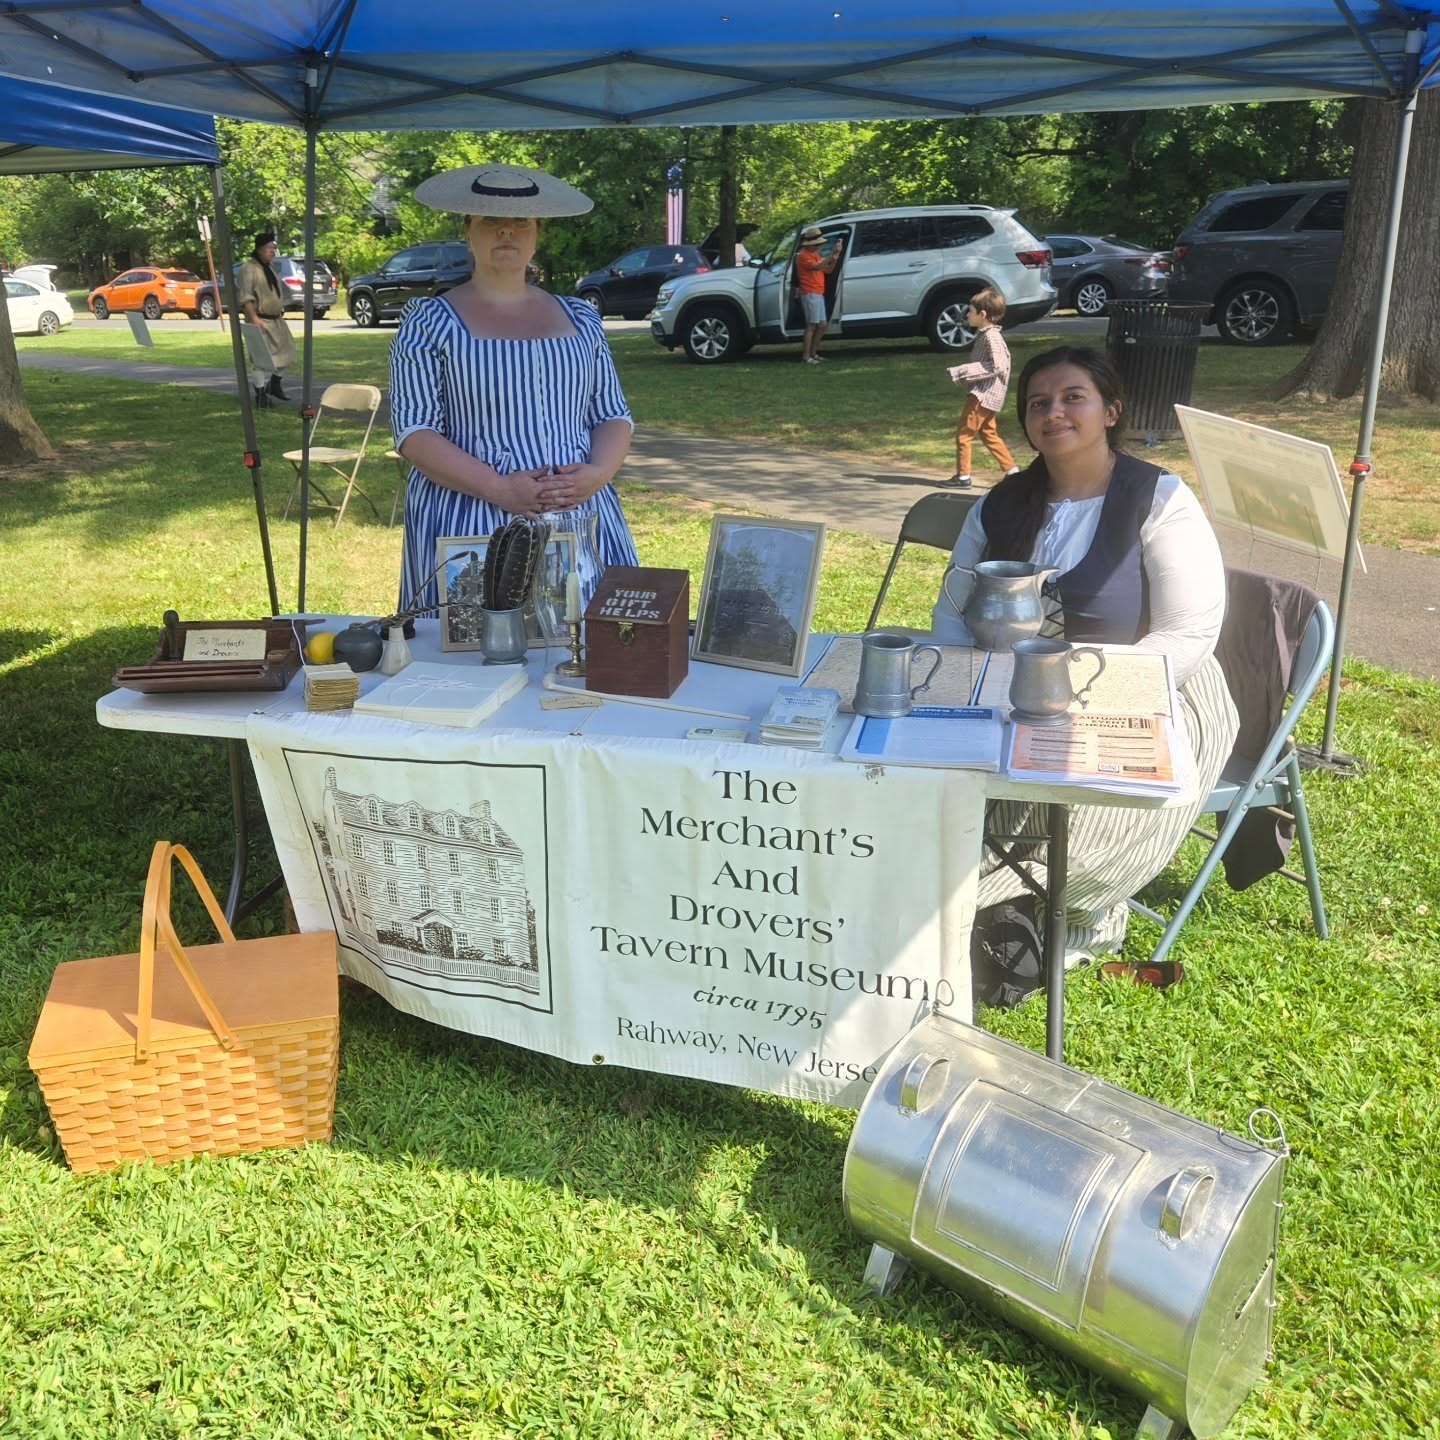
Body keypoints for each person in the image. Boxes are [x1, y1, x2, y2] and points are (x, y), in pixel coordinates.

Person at [931, 346, 1239, 1002]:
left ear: (1111, 410)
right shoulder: (1002, 503)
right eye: (1038, 403)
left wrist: (1097, 696)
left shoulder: (1157, 499)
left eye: (1073, 397)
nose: (1054, 412)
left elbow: (1187, 632)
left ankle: (1082, 910)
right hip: (1010, 685)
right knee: (944, 781)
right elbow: (952, 612)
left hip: (1155, 686)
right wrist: (972, 684)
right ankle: (1001, 900)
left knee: (1091, 800)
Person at [390, 162, 638, 615]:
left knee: (587, 654)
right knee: (476, 657)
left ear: (537, 232)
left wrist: (598, 474)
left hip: (578, 514)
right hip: (472, 515)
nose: (506, 231)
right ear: (469, 231)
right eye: (489, 220)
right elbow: (415, 431)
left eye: (520, 221)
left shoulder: (581, 318)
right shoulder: (428, 322)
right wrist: (500, 489)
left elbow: (612, 415)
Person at [944, 288, 1021, 488]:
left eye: (970, 311)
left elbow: (998, 365)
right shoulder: (988, 335)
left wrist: (963, 372)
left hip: (983, 395)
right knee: (988, 432)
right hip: (990, 395)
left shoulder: (991, 337)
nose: (967, 315)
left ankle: (963, 477)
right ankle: (1012, 471)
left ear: (983, 315)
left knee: (964, 433)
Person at [235, 232, 296, 409]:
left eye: (274, 248)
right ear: (260, 249)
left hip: (276, 320)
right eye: (270, 248)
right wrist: (254, 319)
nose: (273, 252)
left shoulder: (269, 267)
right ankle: (260, 395)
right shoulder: (249, 269)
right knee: (260, 360)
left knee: (289, 352)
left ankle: (274, 385)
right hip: (260, 320)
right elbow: (246, 298)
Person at [794, 226, 843, 365]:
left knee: (822, 324)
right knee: (811, 325)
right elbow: (816, 267)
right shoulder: (803, 256)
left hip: (817, 293)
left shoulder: (815, 255)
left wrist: (835, 257)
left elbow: (827, 270)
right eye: (817, 244)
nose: (819, 246)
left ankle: (813, 353)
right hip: (810, 293)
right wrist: (830, 255)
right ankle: (806, 356)